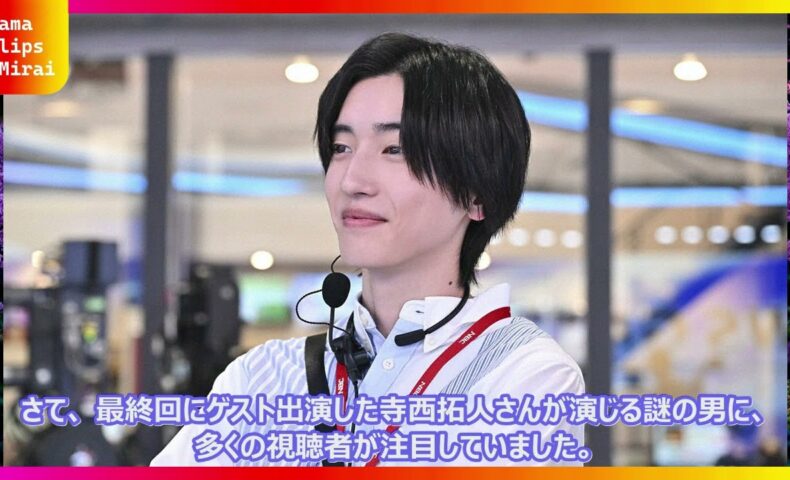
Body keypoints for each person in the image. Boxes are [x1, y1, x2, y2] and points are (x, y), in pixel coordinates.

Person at [152, 32, 585, 466]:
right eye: (341, 148)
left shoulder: (525, 374)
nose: (352, 180)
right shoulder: (266, 376)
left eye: (394, 149)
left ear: (476, 194)